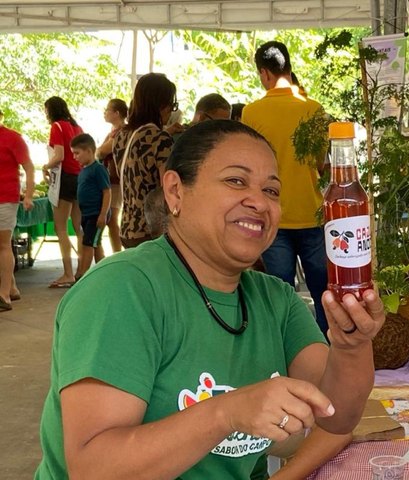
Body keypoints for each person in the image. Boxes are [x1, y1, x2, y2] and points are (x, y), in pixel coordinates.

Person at [35, 119, 384, 479]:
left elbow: (337, 416)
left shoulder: (275, 300)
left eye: (272, 191)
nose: (259, 203)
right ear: (175, 192)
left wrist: (352, 344)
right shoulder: (121, 290)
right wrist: (227, 412)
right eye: (236, 181)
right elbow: (94, 469)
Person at [242, 41, 330, 334]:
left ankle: (284, 350)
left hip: (271, 214)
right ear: (289, 68)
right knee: (323, 293)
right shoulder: (314, 110)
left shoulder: (251, 112)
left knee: (280, 292)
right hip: (312, 213)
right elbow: (320, 164)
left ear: (264, 73)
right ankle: (326, 350)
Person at [113, 73, 176, 248]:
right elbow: (168, 187)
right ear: (162, 105)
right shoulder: (160, 139)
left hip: (127, 226)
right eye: (172, 105)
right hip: (151, 230)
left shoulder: (121, 136)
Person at [42, 96, 84, 288]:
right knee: (79, 227)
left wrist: (45, 166)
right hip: (80, 177)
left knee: (60, 228)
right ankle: (82, 269)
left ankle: (67, 273)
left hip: (65, 178)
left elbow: (59, 155)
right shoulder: (76, 127)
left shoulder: (57, 127)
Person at [0, 113, 34, 310]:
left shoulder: (13, 138)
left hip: (5, 197)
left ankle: (4, 295)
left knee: (3, 244)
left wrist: (28, 195)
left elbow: (29, 167)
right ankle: (12, 287)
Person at [71, 134, 111, 278]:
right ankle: (104, 272)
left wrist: (103, 214)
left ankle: (83, 274)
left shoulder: (98, 169)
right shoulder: (83, 171)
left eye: (77, 153)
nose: (75, 157)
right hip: (86, 214)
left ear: (88, 151)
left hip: (96, 214)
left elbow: (107, 192)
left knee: (88, 243)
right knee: (94, 242)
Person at [95, 98, 128, 254]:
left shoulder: (121, 132)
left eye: (108, 110)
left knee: (112, 218)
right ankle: (117, 251)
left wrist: (99, 150)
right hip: (110, 179)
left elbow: (101, 151)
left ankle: (117, 252)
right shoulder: (113, 132)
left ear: (117, 113)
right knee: (111, 219)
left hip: (115, 180)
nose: (105, 113)